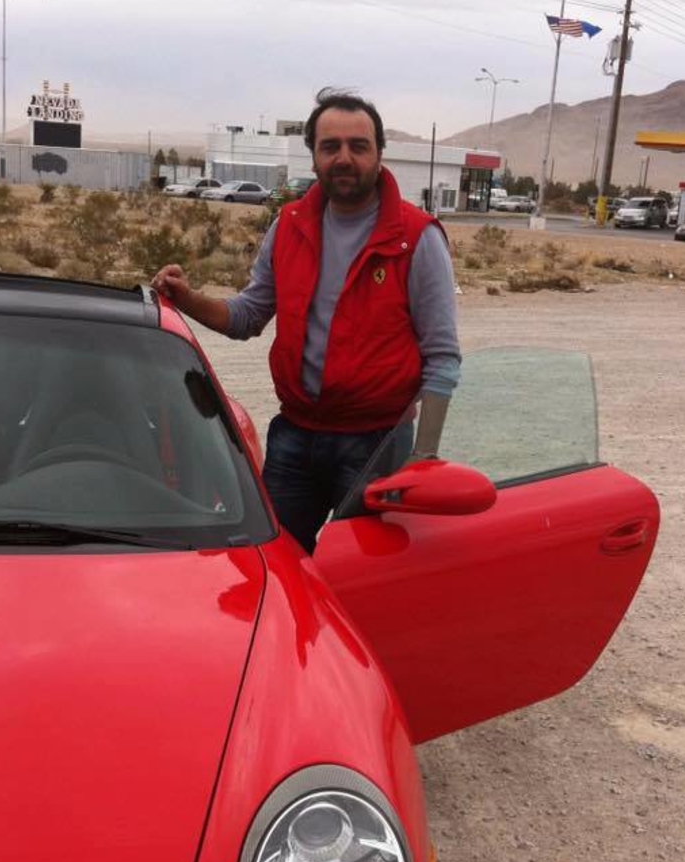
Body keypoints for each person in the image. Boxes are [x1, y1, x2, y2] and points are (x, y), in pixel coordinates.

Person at [152, 87, 461, 553]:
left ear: (379, 154)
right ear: (313, 156)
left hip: (377, 446)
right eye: (330, 146)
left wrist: (423, 458)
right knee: (274, 564)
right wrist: (188, 298)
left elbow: (442, 358)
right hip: (295, 437)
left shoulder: (416, 238)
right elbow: (248, 315)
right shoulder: (289, 225)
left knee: (363, 573)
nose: (344, 158)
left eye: (358, 146)